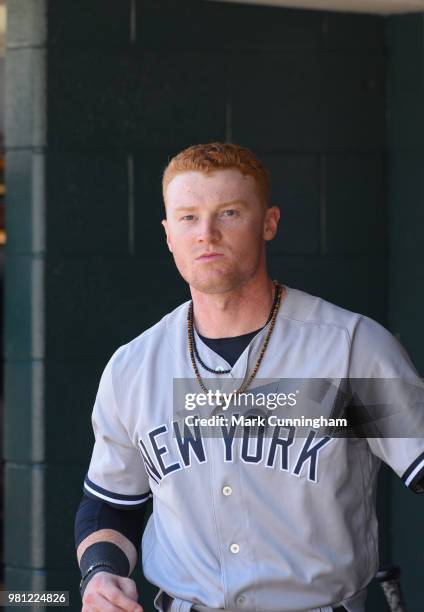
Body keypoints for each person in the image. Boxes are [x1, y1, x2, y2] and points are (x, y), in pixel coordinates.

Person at [74, 142, 424, 612]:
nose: (207, 234)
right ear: (167, 233)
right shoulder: (133, 367)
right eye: (188, 217)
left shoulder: (349, 348)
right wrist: (101, 575)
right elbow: (113, 504)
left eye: (230, 213)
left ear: (269, 222)